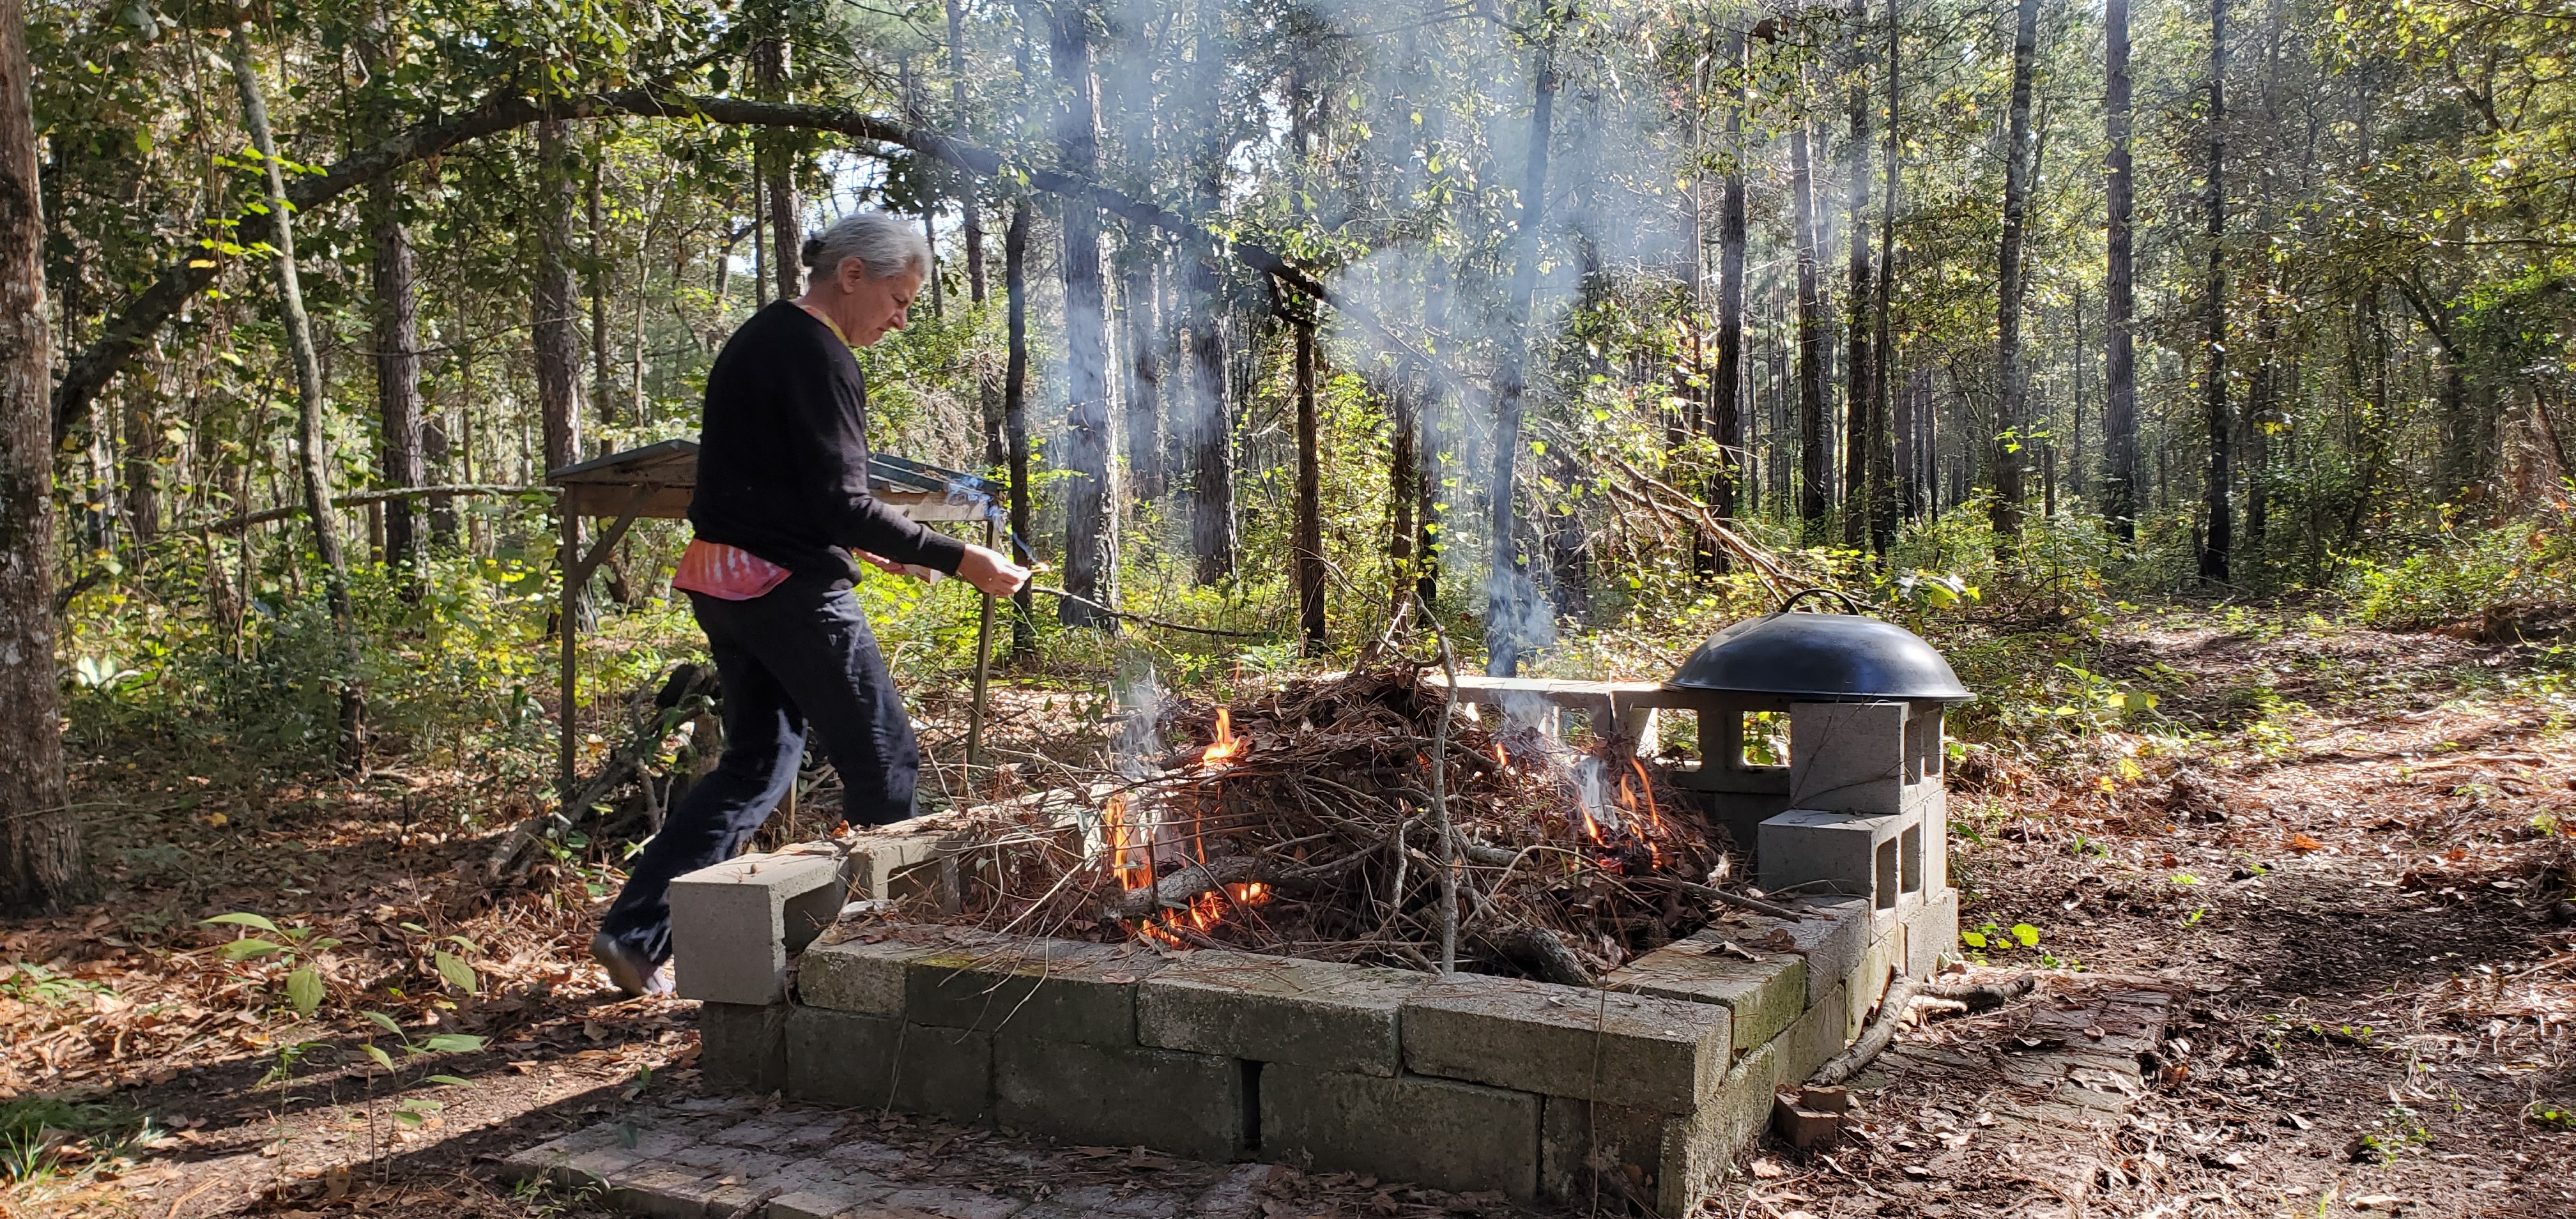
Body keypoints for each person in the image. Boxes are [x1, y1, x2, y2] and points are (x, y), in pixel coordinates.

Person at [591, 211, 1028, 996]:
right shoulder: (819, 354)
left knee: (758, 763)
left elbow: (771, 489)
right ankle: (874, 968)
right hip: (787, 594)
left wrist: (856, 546)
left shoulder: (762, 338)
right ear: (851, 274)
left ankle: (635, 934)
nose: (898, 320)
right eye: (897, 300)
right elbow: (842, 501)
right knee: (885, 763)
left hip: (724, 582)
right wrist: (961, 557)